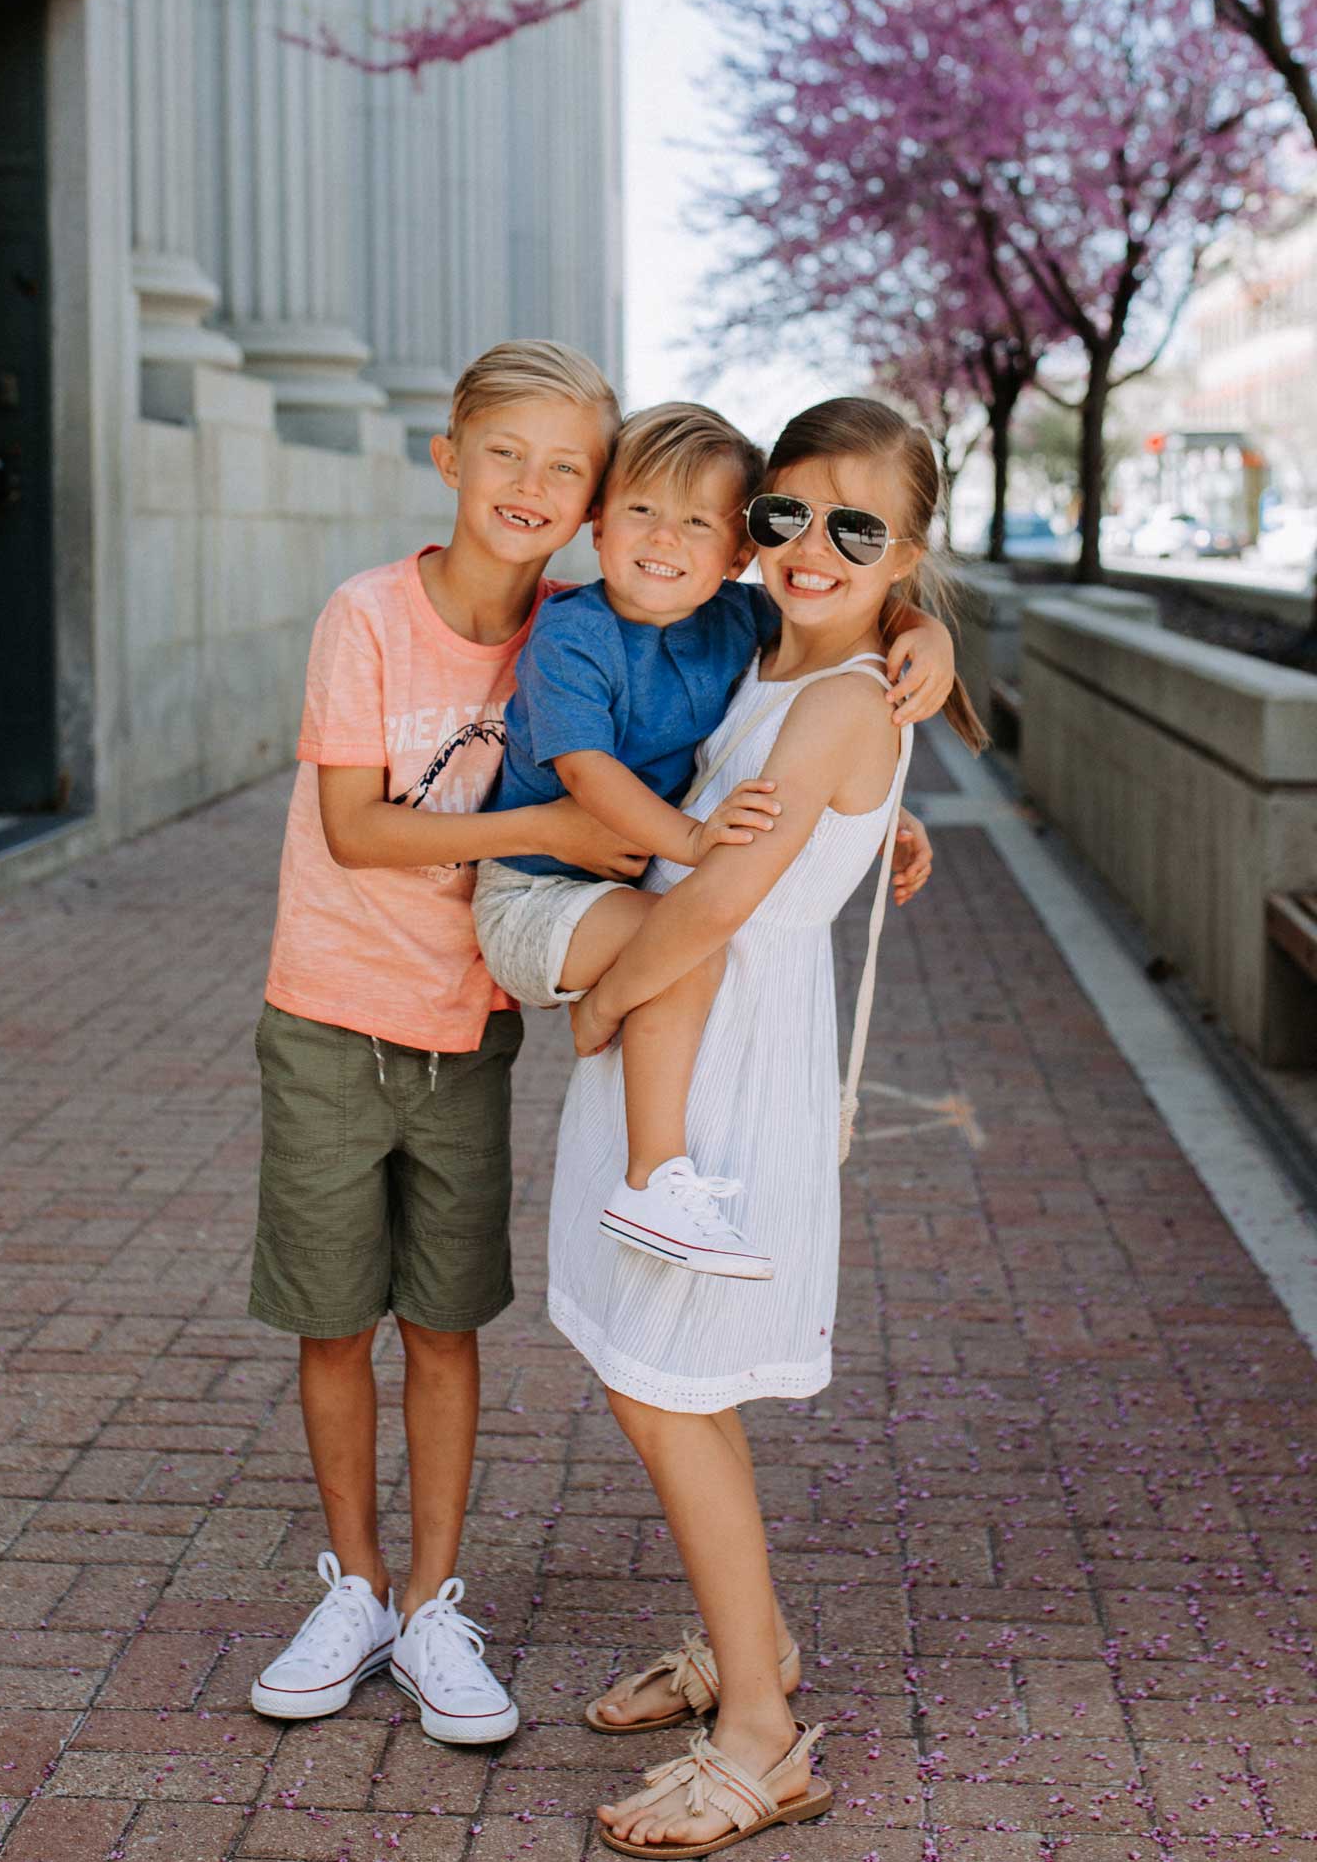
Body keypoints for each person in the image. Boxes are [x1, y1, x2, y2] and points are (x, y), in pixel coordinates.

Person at [548, 398, 987, 1856]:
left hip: (718, 1048)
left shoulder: (847, 697)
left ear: (905, 551)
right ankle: (758, 1643)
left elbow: (728, 895)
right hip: (689, 1023)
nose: (814, 545)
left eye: (859, 528)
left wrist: (603, 1005)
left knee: (669, 1384)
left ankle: (759, 1732)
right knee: (658, 1375)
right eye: (789, 511)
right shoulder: (759, 649)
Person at [246, 340, 647, 1743]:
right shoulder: (367, 614)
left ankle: (430, 1604)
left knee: (445, 1320)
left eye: (565, 466)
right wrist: (545, 823)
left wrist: (914, 650)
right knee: (332, 1317)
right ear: (450, 457)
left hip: (467, 1030)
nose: (531, 483)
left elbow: (756, 649)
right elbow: (357, 828)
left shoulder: (585, 635)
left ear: (594, 497)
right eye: (506, 452)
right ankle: (354, 1587)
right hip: (327, 1017)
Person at [473, 402, 953, 1284]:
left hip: (629, 914)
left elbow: (844, 631)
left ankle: (652, 1173)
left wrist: (929, 633)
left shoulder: (731, 618)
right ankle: (654, 1177)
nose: (666, 539)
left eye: (700, 522)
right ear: (597, 522)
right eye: (642, 510)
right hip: (534, 893)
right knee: (688, 946)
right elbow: (587, 773)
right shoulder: (573, 632)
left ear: (733, 553)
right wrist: (692, 840)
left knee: (685, 941)